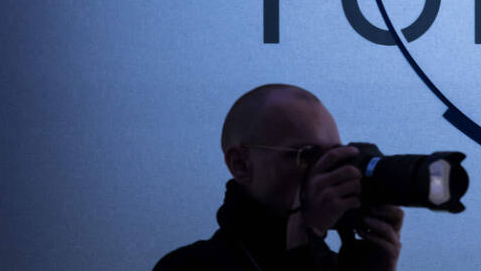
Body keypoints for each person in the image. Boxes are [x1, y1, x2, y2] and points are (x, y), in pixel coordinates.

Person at [154, 84, 405, 271]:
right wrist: (301, 250)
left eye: (335, 158)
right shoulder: (187, 267)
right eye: (308, 156)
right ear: (240, 164)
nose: (327, 175)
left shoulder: (335, 265)